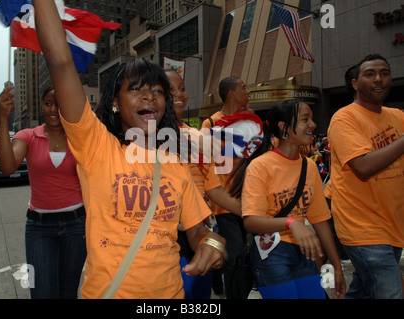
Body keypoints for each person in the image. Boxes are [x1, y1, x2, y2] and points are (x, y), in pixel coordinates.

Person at [32, 0, 226, 299]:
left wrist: (212, 244)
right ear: (114, 102)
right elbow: (60, 61)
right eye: (136, 88)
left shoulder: (175, 162)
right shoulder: (96, 145)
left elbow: (196, 230)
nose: (150, 96)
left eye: (158, 90)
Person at [228, 99, 346, 299]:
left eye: (312, 119)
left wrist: (336, 266)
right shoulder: (260, 166)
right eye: (305, 120)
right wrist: (291, 223)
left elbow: (320, 220)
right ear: (284, 127)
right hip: (272, 253)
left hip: (305, 252)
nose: (313, 125)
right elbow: (251, 221)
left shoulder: (309, 166)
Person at [0, 86, 86, 299]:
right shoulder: (27, 136)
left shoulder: (80, 138)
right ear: (41, 105)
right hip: (39, 228)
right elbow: (7, 167)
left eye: (59, 103)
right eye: (48, 103)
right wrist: (2, 119)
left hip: (77, 226)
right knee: (41, 293)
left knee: (68, 293)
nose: (53, 109)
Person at [327, 54, 404, 299]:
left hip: (393, 223)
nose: (379, 79)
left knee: (363, 290)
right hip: (362, 227)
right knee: (390, 293)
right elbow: (363, 166)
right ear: (356, 83)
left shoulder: (398, 117)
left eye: (385, 72)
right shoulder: (344, 118)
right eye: (369, 74)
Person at [165, 69, 241, 298]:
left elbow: (213, 188)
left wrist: (253, 212)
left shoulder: (198, 138)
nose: (179, 94)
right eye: (170, 90)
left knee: (198, 297)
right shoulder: (145, 138)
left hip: (201, 229)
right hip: (166, 234)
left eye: (182, 88)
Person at [200, 76, 251, 298]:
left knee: (245, 254)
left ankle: (218, 275)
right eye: (244, 88)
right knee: (236, 253)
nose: (248, 91)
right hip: (223, 202)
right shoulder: (210, 124)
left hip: (249, 200)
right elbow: (202, 163)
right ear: (231, 94)